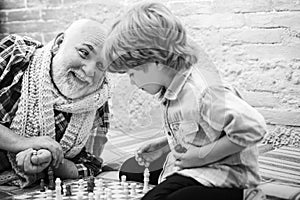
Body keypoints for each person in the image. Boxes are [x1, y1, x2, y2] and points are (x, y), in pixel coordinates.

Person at [103, 2, 267, 200]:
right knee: (132, 178)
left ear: (154, 59)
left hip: (227, 177)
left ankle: (247, 196)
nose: (131, 81)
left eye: (131, 73)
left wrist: (201, 156)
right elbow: (201, 128)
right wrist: (164, 144)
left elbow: (253, 128)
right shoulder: (173, 90)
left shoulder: (203, 92)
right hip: (198, 172)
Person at [0, 19, 110, 188]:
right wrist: (23, 142)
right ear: (59, 43)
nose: (89, 71)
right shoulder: (15, 54)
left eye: (101, 66)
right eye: (84, 53)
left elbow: (90, 165)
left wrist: (48, 161)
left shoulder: (98, 101)